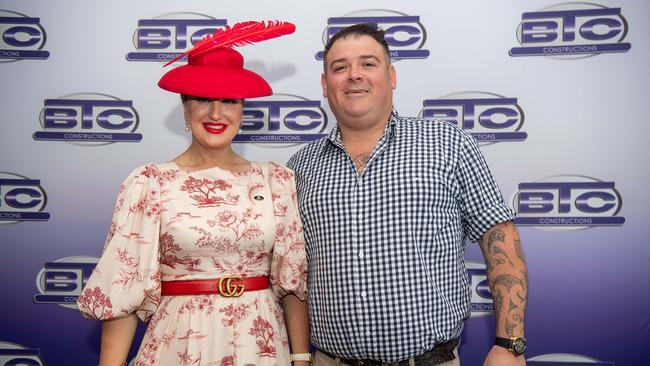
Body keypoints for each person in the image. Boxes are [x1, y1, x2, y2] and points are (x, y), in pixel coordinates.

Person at [287, 23, 528, 366]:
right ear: (325, 85)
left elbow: (500, 237)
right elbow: (293, 274)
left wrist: (510, 343)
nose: (354, 75)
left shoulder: (448, 144)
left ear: (392, 76)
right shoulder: (299, 167)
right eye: (340, 67)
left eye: (368, 64)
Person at [77, 21, 311, 366]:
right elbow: (124, 288)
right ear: (184, 107)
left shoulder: (275, 181)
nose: (216, 113)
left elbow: (293, 283)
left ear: (242, 110)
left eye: (229, 101)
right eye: (203, 99)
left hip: (259, 347)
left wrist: (301, 358)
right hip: (179, 345)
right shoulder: (150, 182)